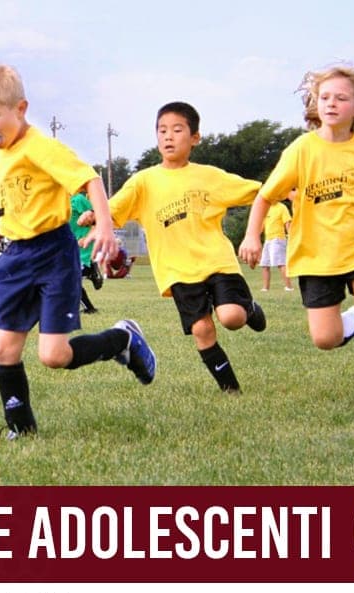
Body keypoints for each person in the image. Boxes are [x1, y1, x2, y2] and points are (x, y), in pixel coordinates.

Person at [0, 63, 156, 438]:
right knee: (4, 350)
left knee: (54, 356)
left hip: (53, 256)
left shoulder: (42, 147)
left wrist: (105, 225)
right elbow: (20, 200)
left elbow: (89, 180)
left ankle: (123, 339)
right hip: (17, 257)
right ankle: (21, 428)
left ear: (20, 109)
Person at [239, 63, 354, 413]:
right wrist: (251, 237)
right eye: (324, 97)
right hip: (316, 254)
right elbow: (265, 196)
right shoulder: (301, 150)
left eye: (341, 98)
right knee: (325, 339)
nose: (331, 103)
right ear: (315, 104)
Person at [108, 102, 266, 393]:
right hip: (177, 269)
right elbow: (113, 209)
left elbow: (258, 192)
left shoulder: (209, 176)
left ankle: (249, 308)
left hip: (217, 260)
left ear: (195, 137)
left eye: (177, 130)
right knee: (202, 329)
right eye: (162, 130)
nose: (168, 136)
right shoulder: (144, 181)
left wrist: (289, 189)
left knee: (231, 317)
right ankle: (231, 390)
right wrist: (95, 216)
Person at [69, 190, 99, 313]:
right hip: (69, 249)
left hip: (82, 248)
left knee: (69, 278)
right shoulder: (56, 204)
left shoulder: (78, 200)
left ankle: (89, 308)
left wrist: (87, 238)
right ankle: (91, 271)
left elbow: (97, 219)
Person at [259, 192, 294, 292]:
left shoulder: (282, 207)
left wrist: (291, 237)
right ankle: (265, 288)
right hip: (268, 240)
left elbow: (287, 223)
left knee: (281, 263)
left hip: (278, 239)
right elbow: (262, 226)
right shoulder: (266, 208)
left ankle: (289, 287)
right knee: (264, 264)